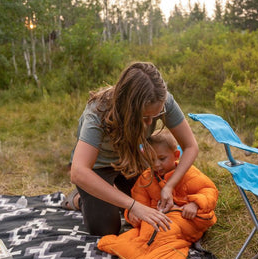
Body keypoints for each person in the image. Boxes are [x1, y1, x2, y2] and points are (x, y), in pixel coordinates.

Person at [69, 62, 199, 236]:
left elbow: (191, 146)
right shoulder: (98, 112)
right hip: (96, 168)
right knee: (107, 231)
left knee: (157, 206)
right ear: (127, 107)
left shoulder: (164, 101)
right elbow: (78, 171)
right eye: (144, 117)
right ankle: (78, 198)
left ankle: (110, 195)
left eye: (156, 116)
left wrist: (169, 185)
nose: (149, 123)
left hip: (131, 160)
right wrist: (133, 205)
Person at [97, 129, 218, 259]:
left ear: (176, 155)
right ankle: (138, 252)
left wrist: (195, 204)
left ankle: (151, 256)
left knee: (163, 241)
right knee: (137, 236)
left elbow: (209, 191)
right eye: (151, 160)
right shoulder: (146, 178)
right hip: (154, 220)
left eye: (162, 159)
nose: (156, 165)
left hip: (185, 219)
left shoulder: (189, 173)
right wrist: (133, 214)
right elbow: (138, 202)